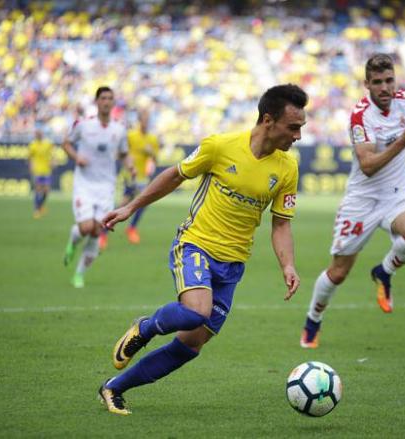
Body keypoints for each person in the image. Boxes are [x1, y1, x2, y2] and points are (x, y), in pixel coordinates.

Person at [97, 84, 308, 415]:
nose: (298, 135)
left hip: (233, 265)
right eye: (293, 127)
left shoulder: (287, 168)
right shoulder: (220, 146)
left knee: (191, 344)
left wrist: (288, 266)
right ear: (268, 120)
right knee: (197, 311)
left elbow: (281, 223)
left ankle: (113, 388)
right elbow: (175, 175)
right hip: (195, 244)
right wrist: (130, 208)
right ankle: (146, 327)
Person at [300, 53, 405, 349]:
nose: (385, 88)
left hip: (396, 195)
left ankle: (383, 271)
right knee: (338, 272)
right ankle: (313, 319)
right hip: (361, 201)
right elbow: (367, 165)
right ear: (367, 84)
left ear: (395, 80)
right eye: (377, 82)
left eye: (389, 80)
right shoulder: (360, 116)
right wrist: (403, 141)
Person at [62, 86, 135, 289]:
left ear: (113, 103)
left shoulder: (119, 129)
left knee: (96, 231)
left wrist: (130, 165)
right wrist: (77, 157)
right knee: (86, 228)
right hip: (84, 184)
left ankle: (78, 275)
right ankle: (73, 240)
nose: (106, 101)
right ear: (97, 102)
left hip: (106, 186)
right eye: (103, 98)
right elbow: (66, 143)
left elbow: (123, 153)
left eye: (110, 98)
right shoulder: (84, 125)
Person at [98, 108, 159, 250]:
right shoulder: (131, 136)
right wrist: (129, 161)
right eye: (144, 118)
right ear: (139, 120)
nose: (146, 121)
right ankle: (103, 232)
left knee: (144, 202)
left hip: (143, 177)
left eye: (148, 119)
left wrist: (152, 154)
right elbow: (120, 153)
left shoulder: (152, 139)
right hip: (129, 175)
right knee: (123, 205)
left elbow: (156, 159)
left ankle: (131, 228)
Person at [27, 129, 54, 218]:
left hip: (46, 170)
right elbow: (29, 157)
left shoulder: (47, 144)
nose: (38, 135)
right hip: (37, 170)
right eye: (36, 134)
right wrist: (31, 166)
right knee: (38, 190)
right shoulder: (32, 145)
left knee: (46, 191)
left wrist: (53, 162)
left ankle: (40, 206)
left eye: (39, 133)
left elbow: (52, 155)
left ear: (42, 134)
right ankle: (36, 209)